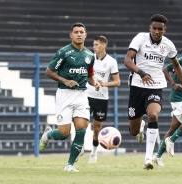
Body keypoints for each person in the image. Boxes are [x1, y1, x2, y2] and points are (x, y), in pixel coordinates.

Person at [124, 14, 182, 170]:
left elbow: (177, 66)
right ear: (150, 28)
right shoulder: (140, 38)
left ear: (165, 30)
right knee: (134, 130)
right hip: (137, 85)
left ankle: (148, 158)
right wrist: (141, 73)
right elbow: (127, 60)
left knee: (153, 115)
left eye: (160, 29)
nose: (157, 31)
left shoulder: (168, 45)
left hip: (156, 85)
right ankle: (140, 126)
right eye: (154, 28)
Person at [39, 22, 100, 172]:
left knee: (81, 129)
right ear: (71, 35)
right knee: (64, 133)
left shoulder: (90, 55)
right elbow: (49, 71)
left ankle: (69, 165)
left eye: (81, 32)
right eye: (76, 32)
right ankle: (48, 134)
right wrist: (65, 80)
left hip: (81, 95)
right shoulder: (64, 52)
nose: (79, 34)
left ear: (85, 35)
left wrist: (95, 83)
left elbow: (90, 75)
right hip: (64, 95)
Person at [86, 35, 121, 163]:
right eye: (93, 45)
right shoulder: (89, 58)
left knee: (97, 127)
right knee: (82, 124)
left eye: (96, 45)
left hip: (101, 98)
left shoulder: (111, 61)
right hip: (87, 96)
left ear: (104, 45)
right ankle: (79, 149)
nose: (94, 47)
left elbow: (117, 82)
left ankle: (94, 152)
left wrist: (104, 84)